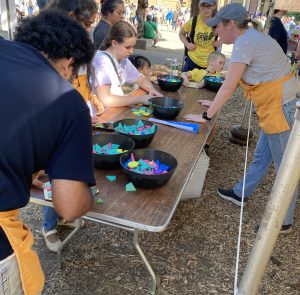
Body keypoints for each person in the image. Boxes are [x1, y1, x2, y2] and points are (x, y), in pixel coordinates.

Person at [0, 10, 95, 295]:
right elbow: (69, 207)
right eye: (73, 71)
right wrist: (89, 193)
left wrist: (21, 165)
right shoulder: (68, 102)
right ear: (68, 61)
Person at [184, 3, 299, 233]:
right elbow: (235, 78)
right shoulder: (252, 37)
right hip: (277, 104)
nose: (216, 31)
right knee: (262, 156)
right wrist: (212, 104)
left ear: (231, 25)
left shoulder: (244, 43)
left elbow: (228, 87)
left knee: (284, 167)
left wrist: (207, 115)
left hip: (281, 105)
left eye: (218, 26)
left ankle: (282, 221)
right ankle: (241, 192)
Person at [42, 0, 100, 252]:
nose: (87, 31)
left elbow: (86, 83)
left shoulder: (78, 49)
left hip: (75, 116)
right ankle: (49, 225)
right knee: (52, 176)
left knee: (62, 175)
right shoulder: (50, 53)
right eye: (86, 24)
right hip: (59, 122)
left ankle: (64, 215)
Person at [92, 21, 162, 108]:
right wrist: (139, 99)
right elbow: (106, 99)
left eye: (133, 47)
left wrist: (152, 90)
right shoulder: (101, 61)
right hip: (101, 114)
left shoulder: (123, 60)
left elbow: (141, 80)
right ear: (114, 43)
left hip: (114, 110)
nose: (131, 51)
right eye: (127, 47)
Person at [179, 0, 219, 72]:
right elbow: (181, 34)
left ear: (214, 7)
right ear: (199, 7)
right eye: (203, 6)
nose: (206, 9)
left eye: (209, 6)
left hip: (209, 63)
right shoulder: (193, 21)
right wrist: (187, 44)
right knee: (184, 81)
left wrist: (220, 41)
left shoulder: (218, 22)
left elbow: (229, 35)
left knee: (205, 83)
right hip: (192, 60)